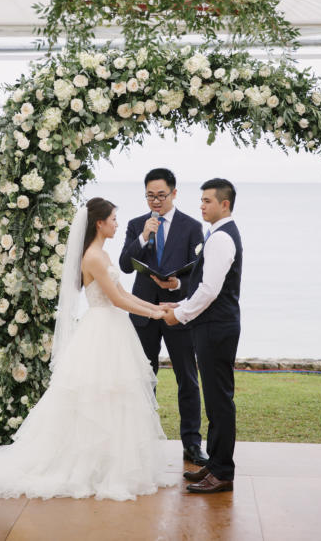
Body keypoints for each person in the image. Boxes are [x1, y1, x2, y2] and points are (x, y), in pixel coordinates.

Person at [0, 198, 177, 501]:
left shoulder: (102, 254)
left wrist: (156, 306)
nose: (118, 224)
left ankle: (110, 464)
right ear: (100, 223)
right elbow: (116, 301)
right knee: (98, 396)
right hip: (102, 329)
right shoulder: (92, 257)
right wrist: (155, 314)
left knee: (114, 397)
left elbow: (122, 293)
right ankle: (92, 467)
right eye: (114, 219)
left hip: (112, 328)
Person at [118, 168, 205, 467]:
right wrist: (144, 236)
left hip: (176, 312)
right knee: (143, 377)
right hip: (142, 313)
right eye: (150, 196)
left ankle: (192, 444)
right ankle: (142, 440)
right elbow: (125, 266)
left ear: (174, 193)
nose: (155, 201)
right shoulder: (135, 225)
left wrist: (178, 285)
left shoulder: (192, 227)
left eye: (161, 195)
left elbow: (200, 275)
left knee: (187, 379)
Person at [163, 178, 242, 494]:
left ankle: (222, 473)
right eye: (201, 200)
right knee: (215, 399)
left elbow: (210, 290)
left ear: (224, 204)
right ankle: (215, 464)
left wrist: (180, 314)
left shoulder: (221, 239)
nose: (201, 205)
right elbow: (204, 285)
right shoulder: (217, 235)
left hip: (216, 328)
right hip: (214, 326)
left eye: (207, 200)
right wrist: (180, 301)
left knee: (220, 401)